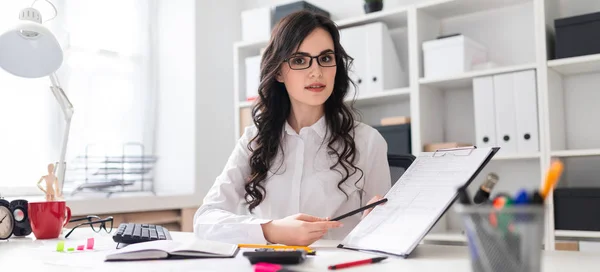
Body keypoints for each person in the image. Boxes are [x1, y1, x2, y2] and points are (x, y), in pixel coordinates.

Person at [194, 10, 391, 246]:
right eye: (299, 60)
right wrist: (271, 230)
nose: (316, 71)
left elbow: (385, 232)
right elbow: (205, 220)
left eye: (326, 58)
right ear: (278, 71)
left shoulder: (368, 141)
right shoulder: (254, 140)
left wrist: (385, 223)